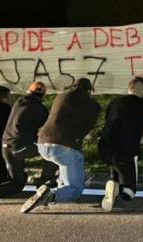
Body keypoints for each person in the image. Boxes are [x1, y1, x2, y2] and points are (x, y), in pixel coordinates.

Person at [21, 78, 100, 213]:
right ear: (88, 90)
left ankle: (59, 188)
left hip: (42, 143)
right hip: (62, 146)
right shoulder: (91, 104)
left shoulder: (61, 96)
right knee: (76, 188)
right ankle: (51, 195)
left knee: (66, 161)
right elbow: (87, 128)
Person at [0, 82, 56, 204]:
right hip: (20, 148)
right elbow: (47, 130)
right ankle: (44, 181)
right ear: (43, 94)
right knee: (53, 151)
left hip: (5, 147)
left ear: (29, 91)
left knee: (18, 182)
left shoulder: (17, 103)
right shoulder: (41, 109)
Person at [99, 76, 143, 212]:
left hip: (105, 147)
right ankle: (118, 190)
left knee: (115, 168)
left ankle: (112, 183)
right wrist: (136, 141)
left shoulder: (114, 102)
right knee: (129, 193)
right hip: (127, 151)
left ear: (129, 88)